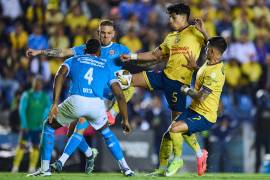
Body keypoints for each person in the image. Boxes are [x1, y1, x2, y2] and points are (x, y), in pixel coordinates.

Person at [121, 3, 208, 176]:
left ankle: (188, 156)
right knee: (127, 80)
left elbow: (215, 47)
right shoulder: (171, 37)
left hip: (178, 85)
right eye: (170, 17)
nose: (170, 20)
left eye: (173, 17)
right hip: (163, 76)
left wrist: (204, 32)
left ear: (184, 17)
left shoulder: (196, 32)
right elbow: (155, 55)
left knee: (174, 129)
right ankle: (113, 110)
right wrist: (131, 56)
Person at [27, 39, 133, 177]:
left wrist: (55, 103)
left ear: (84, 49)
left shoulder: (74, 59)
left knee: (48, 126)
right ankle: (125, 168)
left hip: (76, 102)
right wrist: (125, 119)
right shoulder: (105, 65)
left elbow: (60, 74)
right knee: (106, 133)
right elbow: (119, 95)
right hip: (97, 104)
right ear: (99, 52)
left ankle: (45, 169)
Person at [170, 36, 227, 176]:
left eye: (207, 48)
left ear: (212, 51)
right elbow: (203, 75)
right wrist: (195, 67)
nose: (205, 50)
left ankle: (178, 160)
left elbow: (201, 97)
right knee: (175, 128)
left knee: (175, 129)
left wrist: (185, 89)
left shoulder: (215, 73)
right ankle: (200, 154)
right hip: (194, 109)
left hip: (205, 115)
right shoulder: (208, 63)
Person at [12, 76, 50, 173]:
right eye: (36, 83)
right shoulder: (27, 95)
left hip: (38, 127)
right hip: (27, 126)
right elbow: (22, 109)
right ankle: (15, 167)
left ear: (42, 85)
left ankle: (32, 168)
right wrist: (24, 124)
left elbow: (48, 108)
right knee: (21, 146)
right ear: (33, 84)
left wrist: (42, 121)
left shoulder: (45, 97)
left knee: (36, 147)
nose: (37, 86)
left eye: (39, 84)